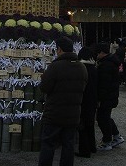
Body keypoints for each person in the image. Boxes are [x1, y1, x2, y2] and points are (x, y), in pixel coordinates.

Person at [38, 37, 88, 166]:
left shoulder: (55, 67)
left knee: (48, 145)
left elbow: (44, 88)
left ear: (59, 49)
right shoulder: (82, 67)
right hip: (73, 113)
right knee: (68, 145)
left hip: (54, 113)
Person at [96, 42, 124, 151]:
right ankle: (116, 136)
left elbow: (104, 85)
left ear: (101, 53)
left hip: (106, 96)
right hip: (111, 95)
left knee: (102, 118)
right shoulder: (111, 62)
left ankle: (107, 141)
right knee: (106, 117)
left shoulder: (105, 65)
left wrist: (99, 98)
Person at [75, 46, 97, 158]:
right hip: (93, 100)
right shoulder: (94, 68)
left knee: (82, 125)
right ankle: (92, 146)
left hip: (83, 99)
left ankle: (84, 150)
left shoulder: (80, 68)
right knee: (90, 124)